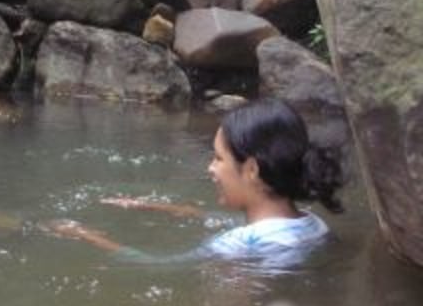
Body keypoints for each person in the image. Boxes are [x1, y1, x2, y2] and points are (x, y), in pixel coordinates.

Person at [49, 98, 346, 266]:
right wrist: (150, 206)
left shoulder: (234, 245)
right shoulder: (314, 226)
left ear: (252, 169)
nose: (211, 169)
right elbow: (221, 221)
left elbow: (155, 264)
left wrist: (86, 235)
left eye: (218, 158)